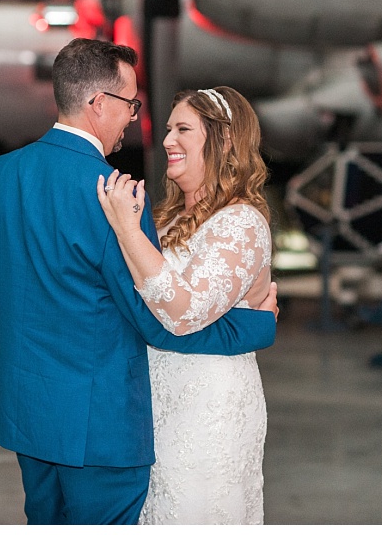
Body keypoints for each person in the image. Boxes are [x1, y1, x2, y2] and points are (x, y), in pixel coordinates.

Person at [0, 38, 279, 525]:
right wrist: (254, 328)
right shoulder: (114, 194)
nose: (137, 120)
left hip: (28, 414)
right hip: (100, 424)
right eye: (131, 105)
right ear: (99, 104)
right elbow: (156, 323)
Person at [97, 86, 273, 524]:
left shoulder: (241, 221)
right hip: (153, 403)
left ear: (225, 139)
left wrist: (126, 229)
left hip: (208, 410)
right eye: (169, 129)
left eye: (183, 129)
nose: (167, 140)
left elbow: (182, 312)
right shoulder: (164, 218)